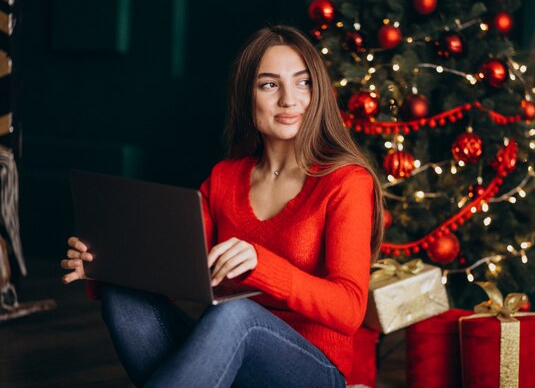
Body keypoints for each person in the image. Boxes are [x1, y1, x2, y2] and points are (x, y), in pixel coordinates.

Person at [61, 25, 384, 388]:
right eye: (269, 85)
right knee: (122, 295)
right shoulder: (224, 179)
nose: (290, 100)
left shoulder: (346, 181)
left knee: (236, 313)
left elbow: (350, 309)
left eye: (303, 82)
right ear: (248, 96)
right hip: (228, 356)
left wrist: (264, 266)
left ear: (318, 90)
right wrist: (106, 264)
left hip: (312, 369)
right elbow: (176, 275)